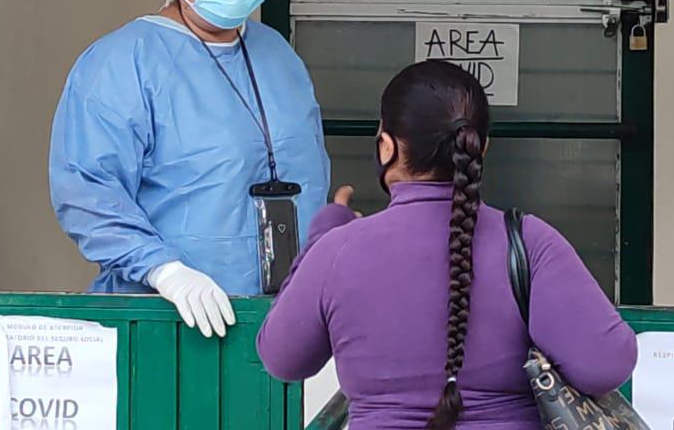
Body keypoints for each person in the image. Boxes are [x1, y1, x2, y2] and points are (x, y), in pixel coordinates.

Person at [256, 61, 637, 430]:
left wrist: (322, 237)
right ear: (480, 148)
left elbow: (284, 359)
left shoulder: (337, 250)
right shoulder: (530, 242)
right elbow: (606, 364)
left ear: (386, 147)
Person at [50, 0, 329, 338]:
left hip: (285, 308)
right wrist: (165, 271)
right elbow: (86, 190)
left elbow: (309, 164)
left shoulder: (276, 53)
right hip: (169, 315)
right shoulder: (124, 62)